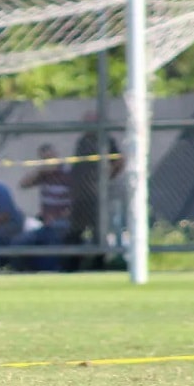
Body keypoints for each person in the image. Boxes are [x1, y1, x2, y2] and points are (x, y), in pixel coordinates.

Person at [65, 110, 125, 272]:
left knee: (98, 232)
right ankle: (71, 267)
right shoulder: (82, 141)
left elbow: (119, 160)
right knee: (74, 232)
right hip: (80, 196)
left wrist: (107, 176)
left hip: (96, 195)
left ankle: (99, 266)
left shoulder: (105, 141)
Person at [10, 143, 73, 272]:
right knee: (18, 242)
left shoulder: (68, 174)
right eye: (44, 160)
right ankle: (23, 273)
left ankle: (52, 271)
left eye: (50, 158)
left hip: (63, 222)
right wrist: (40, 170)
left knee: (53, 236)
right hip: (45, 224)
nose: (48, 163)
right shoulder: (43, 175)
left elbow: (76, 204)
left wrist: (59, 217)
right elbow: (23, 184)